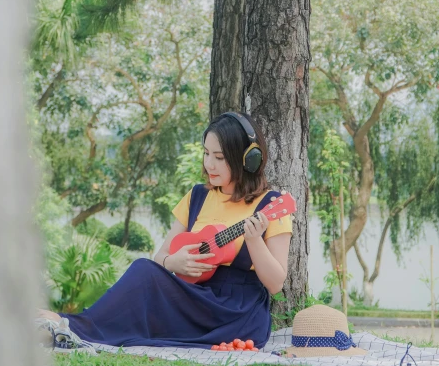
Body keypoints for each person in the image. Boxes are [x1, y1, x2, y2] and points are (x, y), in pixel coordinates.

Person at [37, 112, 293, 349]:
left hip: (237, 312)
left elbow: (275, 284)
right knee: (143, 269)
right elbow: (160, 258)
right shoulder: (197, 196)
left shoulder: (270, 206)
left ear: (247, 160)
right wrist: (174, 262)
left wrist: (254, 241)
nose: (209, 165)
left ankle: (67, 326)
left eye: (219, 158)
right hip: (194, 298)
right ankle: (71, 328)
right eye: (206, 154)